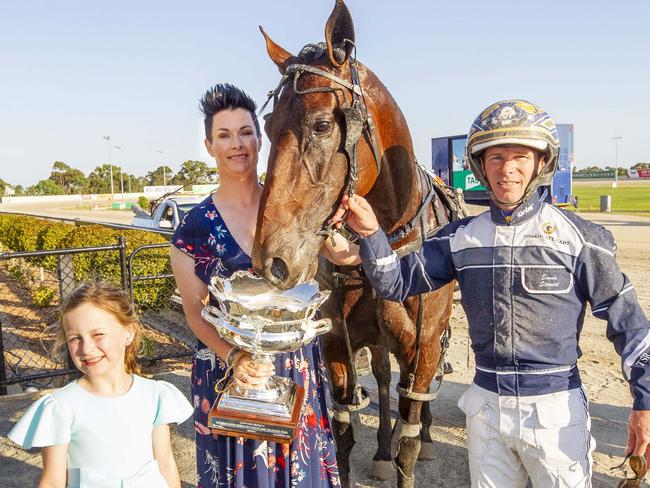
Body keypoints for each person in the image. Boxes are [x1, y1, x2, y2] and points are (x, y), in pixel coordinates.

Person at [331, 100, 650, 487]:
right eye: (495, 157)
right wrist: (369, 234)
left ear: (541, 162)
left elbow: (629, 324)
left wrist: (645, 401)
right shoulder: (460, 238)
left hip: (556, 414)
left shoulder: (581, 239)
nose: (507, 169)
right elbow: (393, 283)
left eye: (520, 156)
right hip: (485, 411)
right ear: (480, 166)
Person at [169, 83, 341, 487]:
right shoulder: (192, 229)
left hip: (294, 366)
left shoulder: (294, 208)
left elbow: (342, 255)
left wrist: (357, 236)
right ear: (209, 146)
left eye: (245, 132)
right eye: (224, 135)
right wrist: (235, 359)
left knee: (301, 471)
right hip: (230, 371)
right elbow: (195, 313)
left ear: (260, 139)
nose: (237, 144)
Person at [8, 281, 193, 488]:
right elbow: (53, 481)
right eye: (75, 338)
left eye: (98, 335)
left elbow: (165, 463)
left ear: (128, 333)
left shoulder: (155, 395)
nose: (86, 349)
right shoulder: (60, 407)